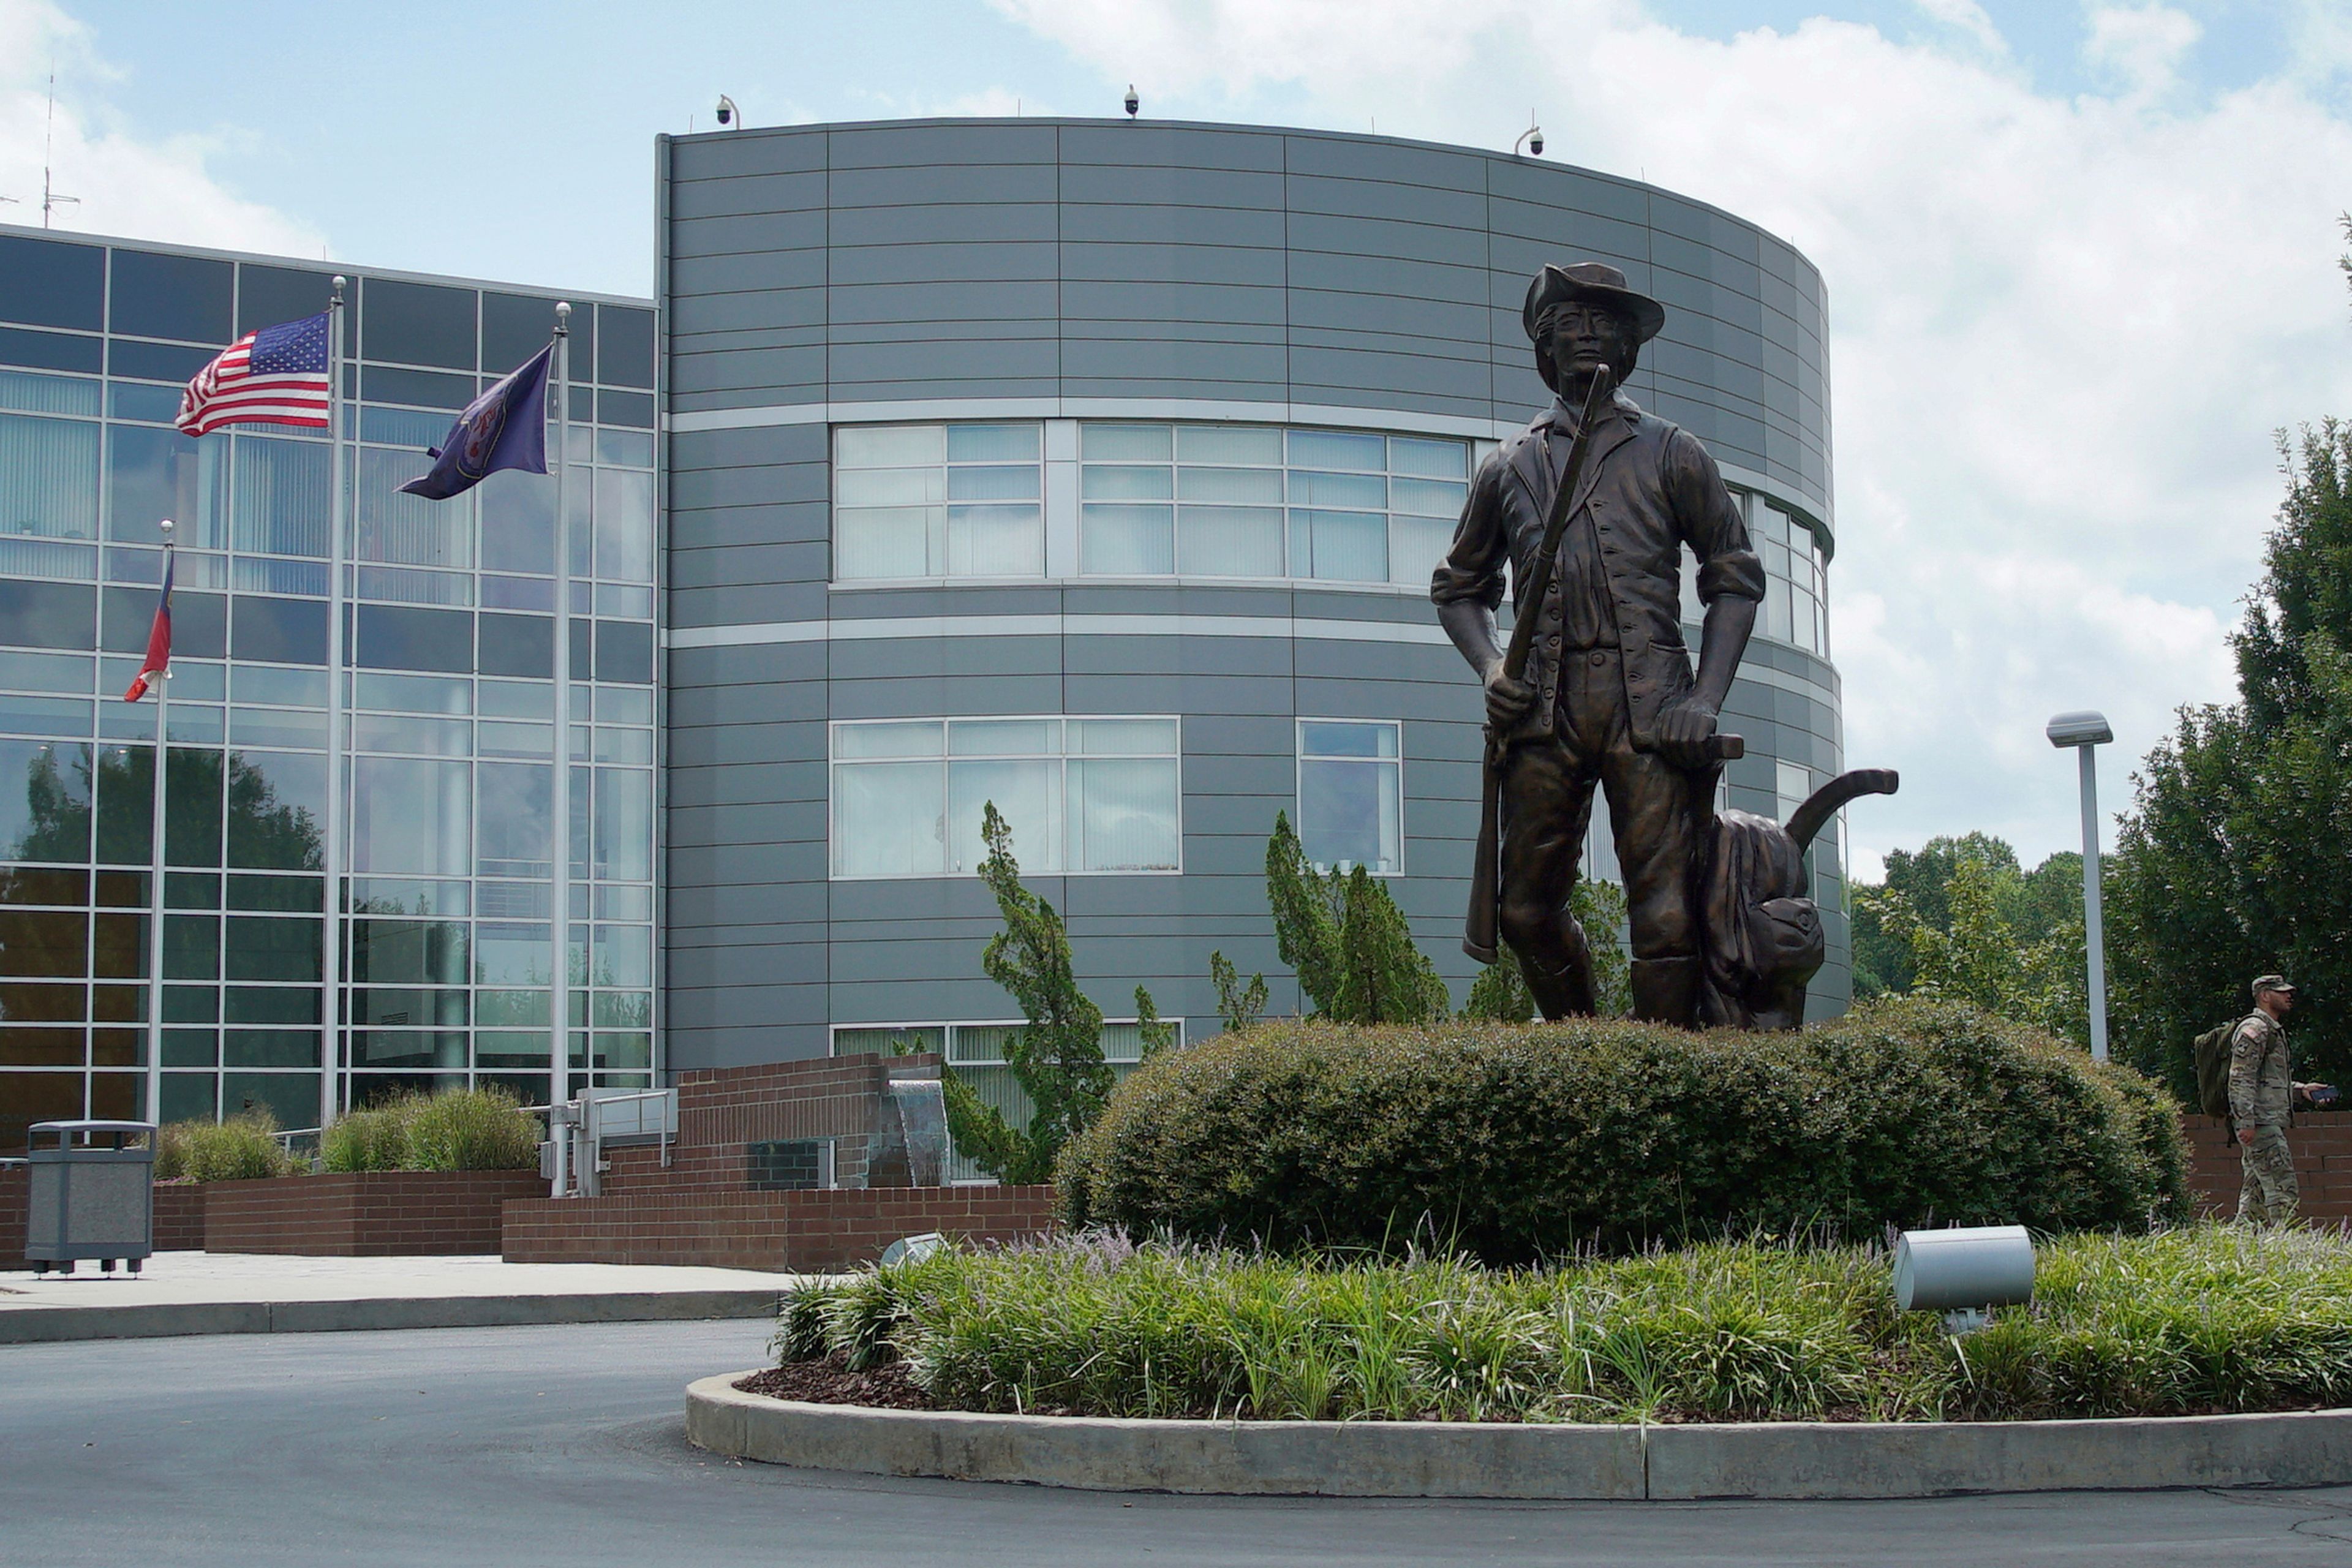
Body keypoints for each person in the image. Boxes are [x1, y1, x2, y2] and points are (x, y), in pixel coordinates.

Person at [1431, 262, 1763, 1024]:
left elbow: (1734, 577)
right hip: (1544, 710)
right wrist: (1489, 669)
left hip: (1649, 705)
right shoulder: (1508, 467)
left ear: (1629, 344)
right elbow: (1458, 588)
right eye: (1570, 324)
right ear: (1544, 346)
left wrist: (1704, 701)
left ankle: (1666, 1078)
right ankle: (1588, 1058)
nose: (1587, 336)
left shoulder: (1673, 451)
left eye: (1603, 322)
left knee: (1668, 917)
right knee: (1522, 912)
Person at [2231, 974, 2300, 1225]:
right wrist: (2245, 1122)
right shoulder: (2256, 1030)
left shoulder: (2272, 1031)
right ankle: (2284, 1248)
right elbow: (2240, 1078)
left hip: (2264, 1122)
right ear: (2265, 996)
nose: (2288, 996)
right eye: (2281, 992)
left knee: (2256, 1194)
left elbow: (2267, 1083)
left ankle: (2240, 1247)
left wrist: (2303, 1090)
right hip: (2261, 1125)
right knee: (2283, 1189)